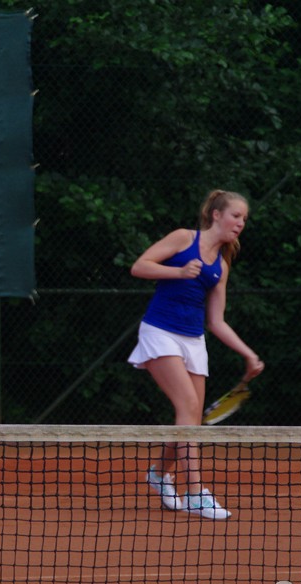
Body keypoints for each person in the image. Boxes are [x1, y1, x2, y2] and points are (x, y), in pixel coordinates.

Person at [128, 190, 264, 520]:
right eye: (235, 216)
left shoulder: (221, 266)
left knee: (191, 418)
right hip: (159, 332)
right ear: (216, 215)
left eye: (244, 219)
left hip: (193, 341)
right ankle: (195, 493)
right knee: (188, 405)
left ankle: (159, 474)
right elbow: (139, 266)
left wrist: (248, 354)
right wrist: (177, 272)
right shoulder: (183, 238)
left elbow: (216, 321)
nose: (240, 223)